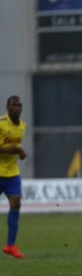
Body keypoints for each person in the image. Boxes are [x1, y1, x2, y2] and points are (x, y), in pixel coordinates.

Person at [0, 96, 27, 259]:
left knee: (16, 204)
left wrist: (20, 153)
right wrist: (15, 150)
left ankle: (10, 245)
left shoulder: (23, 127)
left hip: (12, 174)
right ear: (7, 107)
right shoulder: (1, 124)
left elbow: (16, 149)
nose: (16, 108)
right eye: (13, 105)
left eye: (19, 105)